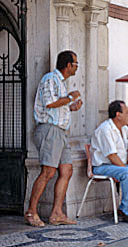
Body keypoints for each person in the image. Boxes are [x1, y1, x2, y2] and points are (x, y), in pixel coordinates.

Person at [25, 50, 83, 227]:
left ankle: (57, 213)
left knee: (67, 171)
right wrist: (70, 97)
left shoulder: (60, 82)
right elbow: (50, 103)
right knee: (48, 172)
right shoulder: (50, 79)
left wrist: (71, 107)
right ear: (68, 65)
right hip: (50, 131)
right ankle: (31, 212)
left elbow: (55, 107)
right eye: (75, 63)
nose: (76, 67)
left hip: (61, 132)